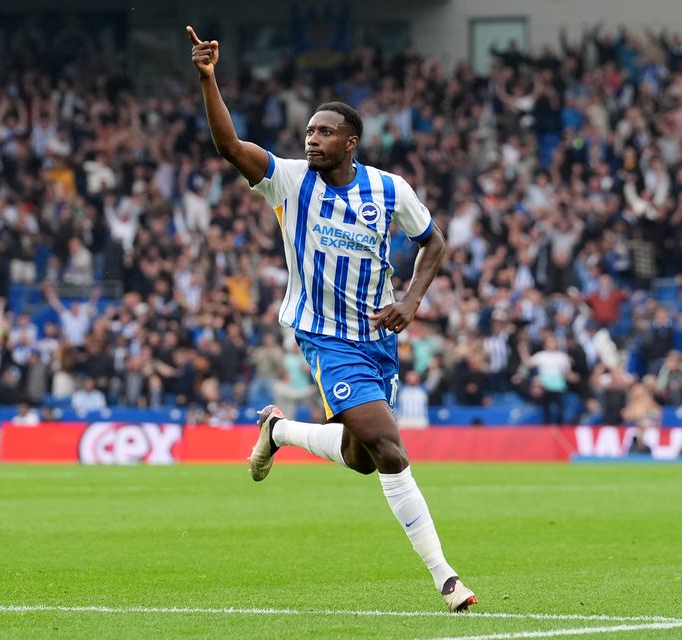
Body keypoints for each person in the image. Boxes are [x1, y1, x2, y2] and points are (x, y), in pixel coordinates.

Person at [187, 27, 476, 612]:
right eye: (309, 131)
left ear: (351, 142)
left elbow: (434, 242)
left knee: (362, 457)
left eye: (324, 132)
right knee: (390, 448)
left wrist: (412, 301)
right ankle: (446, 579)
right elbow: (230, 146)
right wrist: (209, 79)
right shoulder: (289, 180)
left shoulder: (389, 190)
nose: (311, 139)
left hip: (377, 337)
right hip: (323, 334)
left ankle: (279, 431)